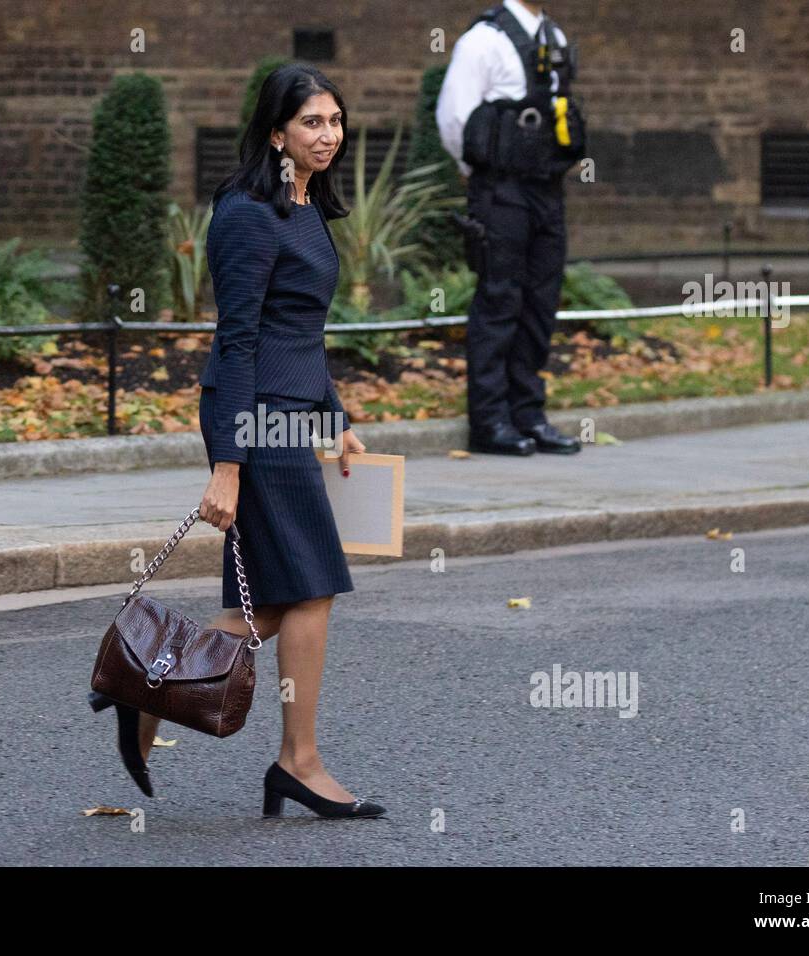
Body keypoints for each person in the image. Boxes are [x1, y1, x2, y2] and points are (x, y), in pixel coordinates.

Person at [93, 62, 385, 820]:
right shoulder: (249, 213)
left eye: (335, 120)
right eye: (312, 123)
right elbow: (240, 341)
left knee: (269, 607)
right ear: (276, 131)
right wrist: (227, 466)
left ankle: (143, 685)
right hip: (253, 418)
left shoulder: (308, 206)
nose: (328, 135)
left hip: (292, 411)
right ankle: (299, 761)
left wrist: (336, 417)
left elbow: (301, 334)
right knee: (314, 588)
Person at [436, 0, 585, 455]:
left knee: (540, 302)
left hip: (546, 190)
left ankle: (528, 414)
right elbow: (453, 116)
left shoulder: (553, 36)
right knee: (500, 300)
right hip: (501, 190)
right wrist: (477, 171)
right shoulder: (484, 39)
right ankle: (490, 421)